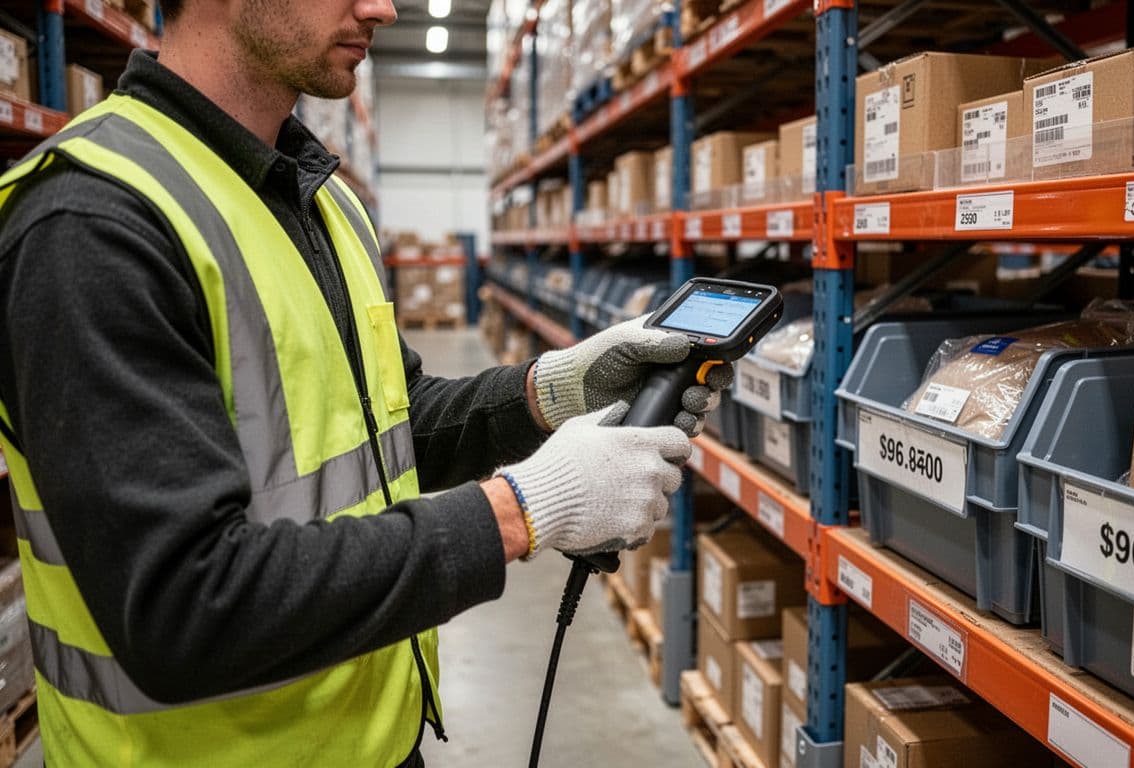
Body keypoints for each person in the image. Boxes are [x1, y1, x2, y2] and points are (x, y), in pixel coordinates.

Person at [0, 1, 730, 765]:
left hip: (373, 743)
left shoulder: (317, 197)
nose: (383, 7)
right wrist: (523, 510)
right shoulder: (91, 225)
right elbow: (184, 606)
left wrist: (554, 388)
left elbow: (388, 427)